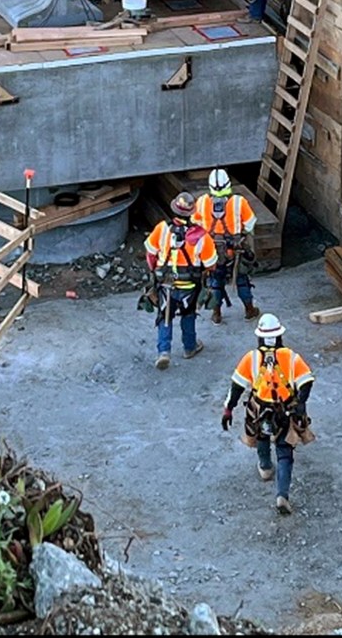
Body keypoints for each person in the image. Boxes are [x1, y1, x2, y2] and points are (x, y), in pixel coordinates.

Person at [220, 313, 314, 515]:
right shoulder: (291, 357)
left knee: (261, 435)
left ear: (259, 337)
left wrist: (228, 409)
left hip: (260, 409)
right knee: (285, 451)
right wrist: (300, 404)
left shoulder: (251, 358)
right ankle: (282, 494)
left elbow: (236, 386)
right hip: (285, 410)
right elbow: (306, 381)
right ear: (280, 336)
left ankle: (264, 466)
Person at [142, 191, 217, 370]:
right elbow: (211, 264)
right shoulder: (201, 236)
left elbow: (150, 255)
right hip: (189, 287)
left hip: (165, 285)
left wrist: (156, 272)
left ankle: (164, 352)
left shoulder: (161, 229)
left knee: (164, 316)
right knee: (188, 315)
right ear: (192, 212)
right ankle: (189, 347)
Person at [192, 168, 260, 324]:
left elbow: (195, 225)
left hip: (212, 252)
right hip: (234, 250)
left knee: (215, 281)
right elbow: (250, 224)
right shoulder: (238, 201)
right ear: (228, 184)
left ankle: (216, 314)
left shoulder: (202, 201)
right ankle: (249, 310)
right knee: (242, 278)